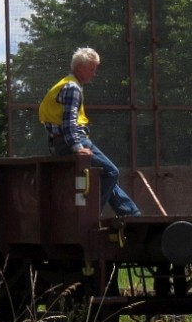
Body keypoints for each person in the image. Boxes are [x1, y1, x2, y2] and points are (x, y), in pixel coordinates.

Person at [39, 47, 141, 217]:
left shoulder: (67, 83)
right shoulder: (72, 88)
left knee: (104, 174)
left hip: (58, 142)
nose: (94, 73)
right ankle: (91, 214)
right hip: (70, 141)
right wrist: (78, 147)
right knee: (111, 172)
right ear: (79, 67)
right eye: (91, 69)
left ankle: (131, 213)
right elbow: (69, 122)